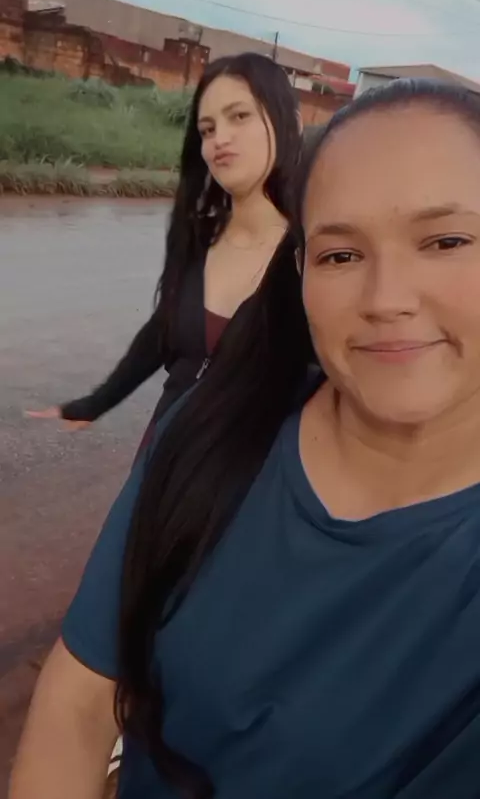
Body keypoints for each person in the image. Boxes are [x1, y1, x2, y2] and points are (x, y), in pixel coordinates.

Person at [12, 77, 480, 799]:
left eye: (446, 241)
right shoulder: (211, 438)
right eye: (340, 255)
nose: (386, 299)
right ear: (300, 272)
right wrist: (95, 401)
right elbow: (79, 703)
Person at [26, 52, 302, 444]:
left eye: (239, 116)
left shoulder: (316, 256)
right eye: (207, 129)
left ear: (291, 123)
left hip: (250, 469)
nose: (220, 139)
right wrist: (95, 403)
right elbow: (163, 328)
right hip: (162, 453)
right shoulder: (200, 235)